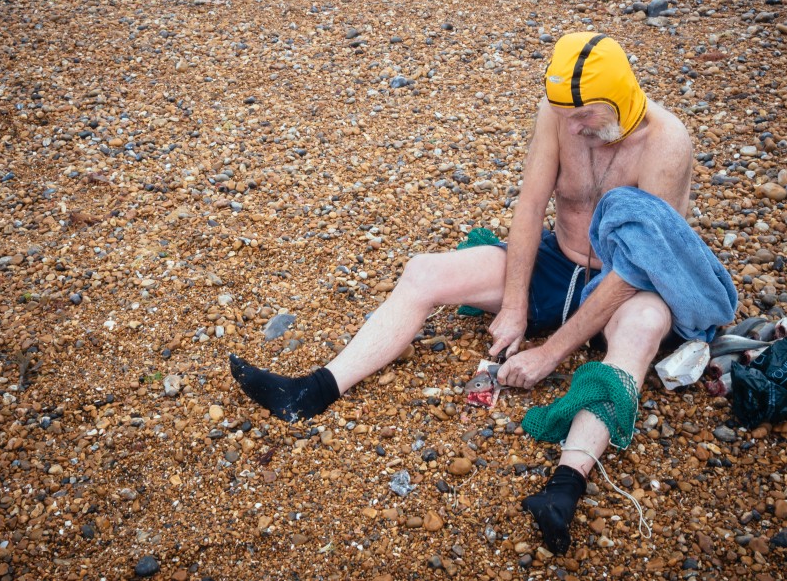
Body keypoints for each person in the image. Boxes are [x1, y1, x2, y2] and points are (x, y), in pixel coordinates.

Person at [230, 32, 735, 554]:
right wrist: (515, 305)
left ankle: (565, 488)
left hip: (625, 280)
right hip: (556, 259)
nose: (572, 126)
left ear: (622, 97)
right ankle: (310, 392)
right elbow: (529, 204)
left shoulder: (665, 143)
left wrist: (549, 352)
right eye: (565, 113)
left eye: (585, 115)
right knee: (424, 272)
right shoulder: (559, 112)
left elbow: (634, 269)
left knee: (645, 326)